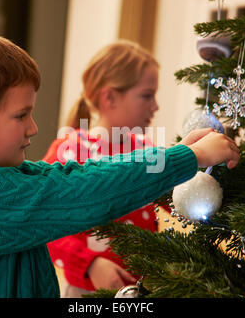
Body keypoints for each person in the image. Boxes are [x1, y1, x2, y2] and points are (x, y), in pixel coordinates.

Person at [0, 29, 240, 298]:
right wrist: (189, 158)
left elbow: (85, 174)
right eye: (21, 115)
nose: (33, 128)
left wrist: (179, 153)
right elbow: (79, 192)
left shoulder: (8, 175)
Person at [42, 40, 171, 297]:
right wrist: (88, 264)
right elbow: (43, 223)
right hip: (87, 292)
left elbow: (179, 200)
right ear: (110, 97)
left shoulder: (149, 151)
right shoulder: (69, 151)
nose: (155, 106)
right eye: (147, 95)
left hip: (145, 290)